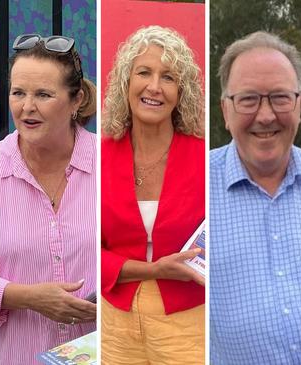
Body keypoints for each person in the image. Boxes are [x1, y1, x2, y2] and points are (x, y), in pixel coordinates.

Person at [101, 26, 205, 364]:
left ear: (181, 92)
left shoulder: (205, 158)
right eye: (144, 72)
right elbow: (84, 247)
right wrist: (154, 270)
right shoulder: (96, 158)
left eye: (169, 77)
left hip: (187, 323)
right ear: (125, 82)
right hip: (116, 322)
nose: (154, 87)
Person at [0, 34, 97, 364]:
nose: (27, 107)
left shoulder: (113, 164)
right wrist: (26, 296)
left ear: (76, 99)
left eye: (43, 95)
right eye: (18, 93)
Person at [210, 31, 301, 364]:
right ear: (226, 110)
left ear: (300, 104)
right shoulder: (189, 186)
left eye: (280, 98)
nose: (266, 116)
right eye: (249, 99)